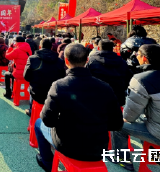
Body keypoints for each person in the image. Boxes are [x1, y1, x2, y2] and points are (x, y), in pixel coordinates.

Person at [35, 43, 123, 172]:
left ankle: (47, 163)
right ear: (87, 60)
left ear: (66, 60)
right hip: (98, 148)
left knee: (38, 123)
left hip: (68, 146)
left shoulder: (59, 85)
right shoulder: (105, 87)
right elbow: (117, 124)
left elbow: (48, 120)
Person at [112, 44, 160, 171]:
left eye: (138, 55)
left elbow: (129, 116)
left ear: (145, 59)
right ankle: (158, 158)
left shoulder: (141, 80)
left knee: (118, 126)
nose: (136, 56)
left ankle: (122, 159)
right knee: (145, 121)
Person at [23, 38, 66, 116]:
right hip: (54, 93)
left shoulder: (32, 59)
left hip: (38, 93)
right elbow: (62, 77)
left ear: (40, 46)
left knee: (31, 88)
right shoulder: (59, 61)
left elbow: (26, 77)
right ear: (51, 47)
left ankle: (31, 110)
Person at [86, 40, 132, 107]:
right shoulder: (122, 62)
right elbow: (128, 79)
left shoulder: (91, 61)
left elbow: (87, 78)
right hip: (117, 96)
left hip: (97, 96)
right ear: (112, 48)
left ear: (98, 48)